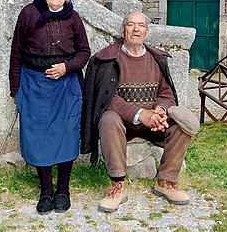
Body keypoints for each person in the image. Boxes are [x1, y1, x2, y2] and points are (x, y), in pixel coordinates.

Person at [81, 11, 193, 213]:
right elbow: (107, 99)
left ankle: (166, 182)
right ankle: (118, 185)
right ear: (123, 30)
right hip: (123, 123)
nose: (136, 29)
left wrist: (160, 111)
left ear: (147, 32)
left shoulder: (156, 59)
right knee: (108, 119)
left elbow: (166, 92)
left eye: (141, 25)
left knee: (182, 125)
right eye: (131, 25)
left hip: (153, 124)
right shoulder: (108, 59)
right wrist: (141, 114)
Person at [9, 0, 90, 214]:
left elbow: (84, 52)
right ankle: (46, 191)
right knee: (38, 138)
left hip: (67, 87)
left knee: (67, 135)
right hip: (34, 85)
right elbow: (16, 55)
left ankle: (63, 189)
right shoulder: (28, 14)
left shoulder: (73, 18)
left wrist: (67, 67)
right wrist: (16, 90)